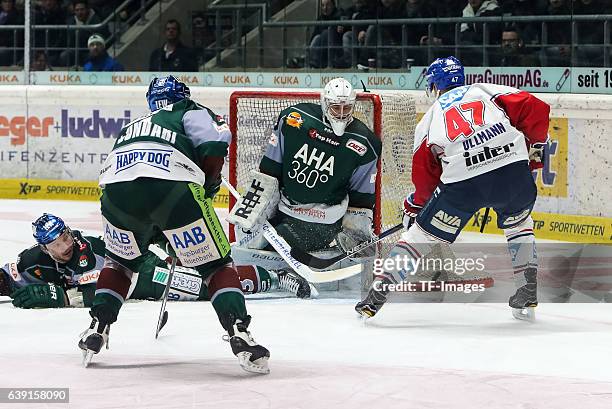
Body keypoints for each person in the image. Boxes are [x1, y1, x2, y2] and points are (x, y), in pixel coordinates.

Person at [79, 76, 270, 374]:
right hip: (173, 189)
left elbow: (137, 190)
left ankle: (97, 327)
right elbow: (216, 142)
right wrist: (209, 185)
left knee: (118, 264)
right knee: (216, 268)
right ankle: (238, 332)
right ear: (183, 95)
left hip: (115, 195)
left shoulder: (131, 126)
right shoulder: (188, 109)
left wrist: (166, 236)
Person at [356, 56, 549, 322]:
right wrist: (535, 144)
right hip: (512, 173)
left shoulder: (431, 118)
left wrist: (416, 205)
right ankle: (527, 290)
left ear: (435, 86)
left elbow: (424, 174)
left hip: (464, 184)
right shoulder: (487, 90)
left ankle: (376, 297)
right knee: (519, 224)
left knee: (419, 237)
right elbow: (536, 108)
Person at [229, 78, 381, 280]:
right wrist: (254, 207)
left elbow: (360, 198)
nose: (342, 114)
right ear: (325, 103)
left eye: (347, 108)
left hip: (322, 222)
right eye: (336, 108)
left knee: (270, 246)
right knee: (245, 241)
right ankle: (274, 273)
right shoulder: (295, 119)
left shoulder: (365, 143)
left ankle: (277, 280)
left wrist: (356, 231)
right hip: (284, 210)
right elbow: (270, 172)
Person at [0, 213, 307, 309]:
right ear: (44, 246)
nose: (66, 244)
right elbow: (7, 276)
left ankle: (274, 277)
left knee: (207, 286)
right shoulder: (32, 260)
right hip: (133, 276)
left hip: (143, 274)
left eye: (66, 236)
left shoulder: (87, 252)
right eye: (58, 242)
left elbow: (107, 288)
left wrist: (63, 297)